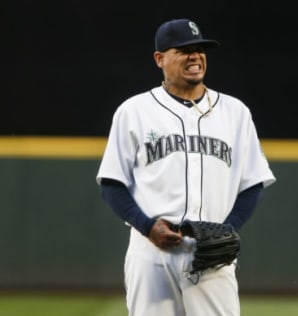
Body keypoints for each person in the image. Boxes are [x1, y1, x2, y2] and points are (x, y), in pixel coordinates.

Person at [96, 18, 276, 316]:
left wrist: (227, 229)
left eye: (199, 49)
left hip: (211, 253)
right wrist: (147, 227)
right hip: (150, 251)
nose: (195, 56)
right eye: (183, 49)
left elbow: (253, 182)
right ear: (160, 58)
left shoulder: (235, 112)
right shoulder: (134, 111)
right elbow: (112, 184)